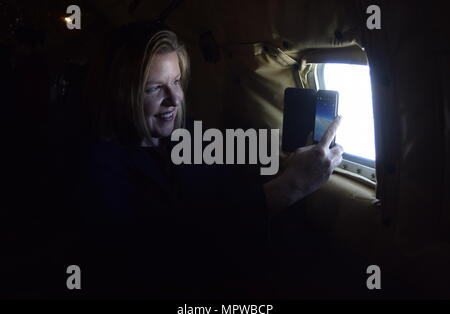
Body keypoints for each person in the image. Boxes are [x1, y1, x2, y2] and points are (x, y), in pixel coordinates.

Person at [72, 22, 343, 299]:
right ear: (119, 93)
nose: (175, 99)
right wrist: (290, 187)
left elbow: (227, 197)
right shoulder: (95, 167)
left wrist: (289, 168)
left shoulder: (189, 135)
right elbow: (167, 256)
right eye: (153, 89)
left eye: (176, 81)